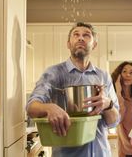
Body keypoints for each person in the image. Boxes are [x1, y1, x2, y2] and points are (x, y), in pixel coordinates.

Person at [26, 22, 120, 157]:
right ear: (68, 44)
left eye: (86, 35)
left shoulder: (103, 76)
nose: (81, 38)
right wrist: (50, 108)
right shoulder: (54, 73)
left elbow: (114, 122)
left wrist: (108, 104)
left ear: (94, 45)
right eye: (76, 35)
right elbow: (31, 107)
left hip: (101, 153)